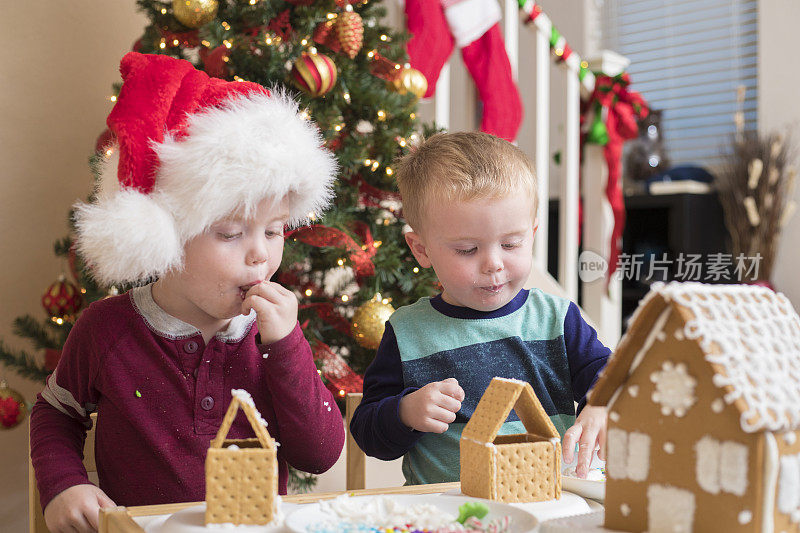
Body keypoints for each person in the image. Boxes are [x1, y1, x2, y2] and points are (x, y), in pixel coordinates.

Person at [30, 52, 344, 533]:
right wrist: (63, 483)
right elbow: (56, 411)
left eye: (275, 231)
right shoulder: (106, 329)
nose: (260, 255)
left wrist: (287, 347)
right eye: (230, 233)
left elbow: (319, 455)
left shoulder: (275, 339)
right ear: (168, 234)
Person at [350, 132, 610, 487]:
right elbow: (368, 433)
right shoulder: (408, 331)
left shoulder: (556, 319)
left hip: (548, 505)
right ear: (421, 249)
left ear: (532, 235)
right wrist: (406, 412)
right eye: (467, 249)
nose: (493, 264)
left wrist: (602, 403)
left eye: (510, 244)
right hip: (447, 516)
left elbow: (610, 375)